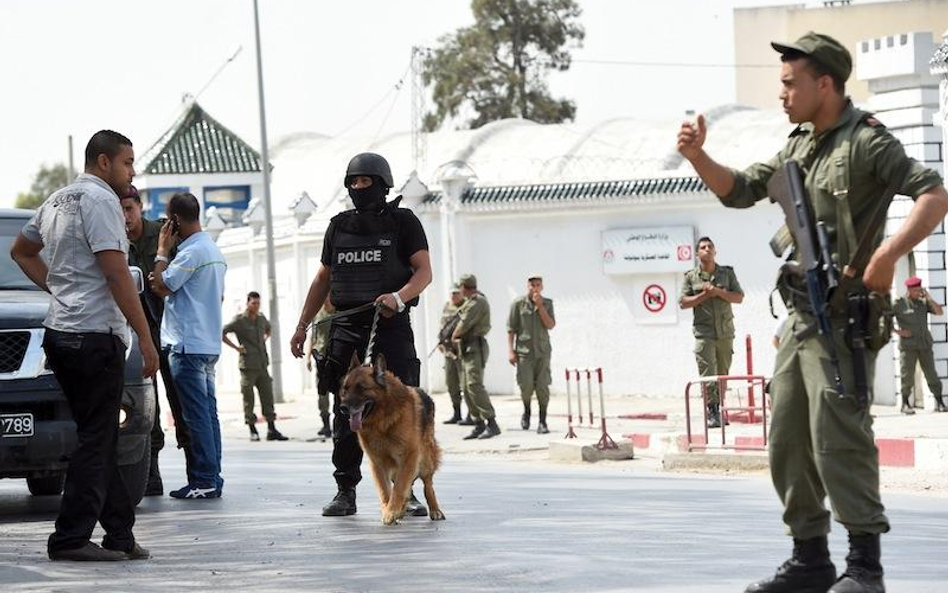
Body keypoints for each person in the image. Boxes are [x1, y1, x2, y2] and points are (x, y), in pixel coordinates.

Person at [677, 31, 948, 593]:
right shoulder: (797, 145)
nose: (782, 94)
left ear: (824, 83)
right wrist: (698, 155)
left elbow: (934, 194)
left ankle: (864, 570)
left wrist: (886, 256)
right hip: (800, 318)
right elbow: (741, 190)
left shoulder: (868, 142)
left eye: (790, 83)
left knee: (838, 435)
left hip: (845, 317)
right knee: (788, 440)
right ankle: (810, 560)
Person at [11, 129, 158, 561]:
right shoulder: (101, 202)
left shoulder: (56, 200)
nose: (132, 171)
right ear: (103, 162)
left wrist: (57, 290)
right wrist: (145, 339)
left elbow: (22, 251)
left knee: (101, 435)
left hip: (61, 333)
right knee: (97, 439)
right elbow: (116, 274)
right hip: (94, 336)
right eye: (127, 162)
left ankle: (119, 535)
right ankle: (70, 538)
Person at [289, 152, 432, 518]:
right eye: (352, 182)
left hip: (391, 324)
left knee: (403, 409)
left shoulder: (404, 222)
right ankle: (345, 490)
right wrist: (302, 325)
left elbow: (423, 272)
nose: (357, 188)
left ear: (382, 184)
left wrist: (399, 298)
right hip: (346, 328)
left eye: (364, 182)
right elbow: (323, 278)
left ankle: (408, 491)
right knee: (346, 412)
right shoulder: (339, 226)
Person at [149, 192, 228, 499]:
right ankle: (212, 477)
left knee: (195, 416)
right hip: (206, 344)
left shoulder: (190, 252)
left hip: (186, 346)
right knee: (208, 414)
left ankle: (203, 479)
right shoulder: (213, 250)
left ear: (177, 220)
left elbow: (160, 285)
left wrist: (160, 251)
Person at [120, 184, 192, 497]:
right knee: (146, 404)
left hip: (173, 331)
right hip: (138, 336)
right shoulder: (112, 240)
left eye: (129, 209)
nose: (124, 217)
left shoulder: (164, 235)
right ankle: (151, 473)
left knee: (183, 403)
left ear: (139, 207)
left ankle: (198, 473)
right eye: (118, 210)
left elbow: (186, 276)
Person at [679, 237, 744, 428]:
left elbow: (739, 297)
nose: (706, 249)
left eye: (710, 247)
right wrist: (704, 295)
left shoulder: (727, 274)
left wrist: (718, 292)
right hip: (704, 333)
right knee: (708, 373)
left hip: (725, 332)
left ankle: (721, 410)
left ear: (715, 252)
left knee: (723, 374)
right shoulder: (691, 277)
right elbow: (683, 302)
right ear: (697, 254)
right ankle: (712, 411)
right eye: (702, 248)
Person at [222, 291, 289, 441]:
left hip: (262, 364)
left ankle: (271, 429)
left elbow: (268, 327)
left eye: (258, 303)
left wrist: (266, 337)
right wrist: (236, 347)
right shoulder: (239, 321)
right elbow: (222, 332)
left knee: (267, 396)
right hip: (247, 366)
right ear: (247, 303)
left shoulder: (261, 318)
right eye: (253, 303)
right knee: (249, 398)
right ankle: (252, 429)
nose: (256, 306)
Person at [452, 274, 501, 440]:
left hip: (475, 346)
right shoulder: (470, 301)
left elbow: (463, 324)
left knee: (474, 385)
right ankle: (478, 423)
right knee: (466, 387)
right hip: (467, 347)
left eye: (460, 287)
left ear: (464, 287)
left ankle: (492, 423)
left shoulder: (477, 301)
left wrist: (453, 335)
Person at [507, 273, 556, 434]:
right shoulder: (518, 304)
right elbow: (511, 329)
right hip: (524, 353)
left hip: (542, 352)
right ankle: (527, 411)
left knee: (542, 387)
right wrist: (510, 351)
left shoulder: (547, 303)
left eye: (538, 285)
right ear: (527, 286)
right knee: (526, 386)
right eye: (532, 285)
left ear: (542, 287)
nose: (535, 288)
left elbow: (550, 325)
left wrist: (540, 306)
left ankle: (542, 421)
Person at [893, 276, 946, 414]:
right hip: (908, 345)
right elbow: (883, 319)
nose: (918, 293)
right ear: (909, 290)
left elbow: (940, 312)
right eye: (916, 290)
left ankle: (939, 402)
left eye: (920, 290)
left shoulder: (923, 303)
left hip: (924, 344)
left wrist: (928, 297)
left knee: (931, 374)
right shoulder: (899, 304)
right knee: (907, 375)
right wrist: (898, 331)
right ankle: (905, 404)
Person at [440, 283, 473, 424]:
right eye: (452, 293)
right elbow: (442, 326)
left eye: (456, 293)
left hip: (461, 351)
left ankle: (471, 415)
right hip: (448, 352)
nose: (454, 296)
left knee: (465, 384)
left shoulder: (466, 307)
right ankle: (457, 413)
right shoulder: (447, 307)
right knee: (451, 383)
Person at [305, 300, 335, 438]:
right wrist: (308, 358)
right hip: (321, 356)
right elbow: (312, 336)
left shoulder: (339, 311)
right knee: (322, 391)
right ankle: (326, 423)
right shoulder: (317, 315)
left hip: (337, 354)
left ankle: (340, 421)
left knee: (341, 389)